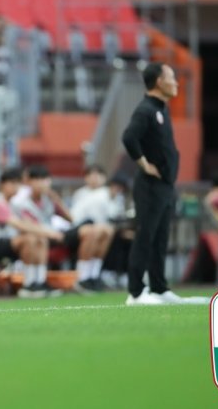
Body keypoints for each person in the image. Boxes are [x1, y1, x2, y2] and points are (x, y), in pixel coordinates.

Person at [121, 62, 181, 305]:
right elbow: (128, 137)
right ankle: (135, 292)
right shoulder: (146, 109)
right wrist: (144, 164)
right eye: (172, 77)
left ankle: (159, 287)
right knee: (145, 235)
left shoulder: (161, 110)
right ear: (159, 82)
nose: (176, 83)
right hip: (150, 186)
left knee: (161, 237)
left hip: (165, 186)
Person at [0, 168, 60, 298]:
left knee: (40, 239)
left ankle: (39, 281)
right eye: (11, 183)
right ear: (2, 185)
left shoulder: (13, 204)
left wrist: (44, 232)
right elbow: (20, 225)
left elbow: (28, 222)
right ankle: (28, 285)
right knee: (28, 239)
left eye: (18, 183)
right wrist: (50, 233)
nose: (15, 187)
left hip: (2, 246)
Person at [68, 165, 118, 290]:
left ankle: (93, 275)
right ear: (86, 178)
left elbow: (113, 214)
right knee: (93, 232)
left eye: (98, 175)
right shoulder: (80, 193)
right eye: (91, 175)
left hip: (99, 229)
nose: (94, 178)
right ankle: (81, 277)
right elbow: (74, 216)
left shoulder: (108, 193)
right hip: (78, 228)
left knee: (107, 231)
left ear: (104, 178)